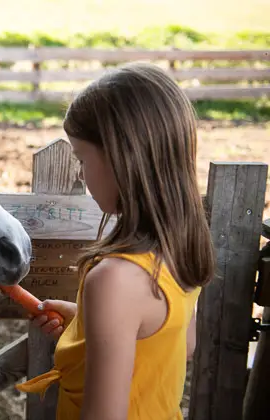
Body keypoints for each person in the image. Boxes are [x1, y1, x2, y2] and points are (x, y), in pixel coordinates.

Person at [15, 62, 215, 420]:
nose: (80, 172)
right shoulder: (178, 247)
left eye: (82, 158)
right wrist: (90, 322)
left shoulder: (114, 279)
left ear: (121, 159)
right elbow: (179, 345)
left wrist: (107, 315)